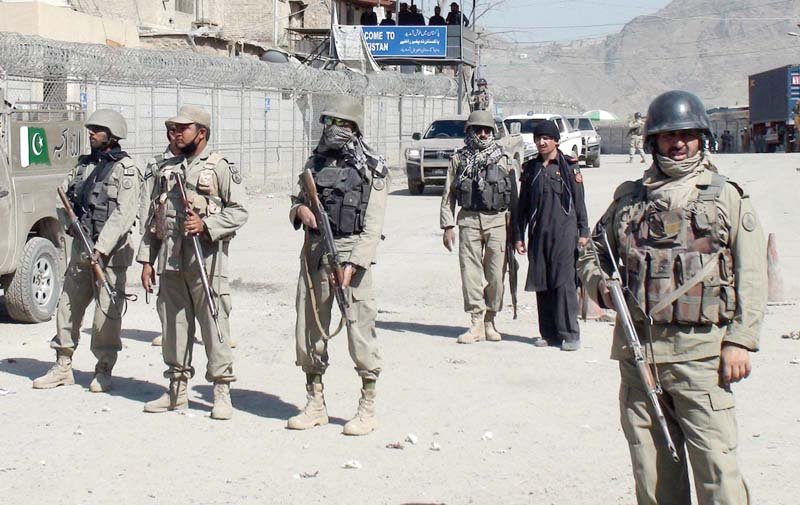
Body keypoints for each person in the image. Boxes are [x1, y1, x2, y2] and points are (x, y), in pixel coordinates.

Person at [577, 90, 767, 505]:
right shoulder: (629, 200)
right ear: (652, 143)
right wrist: (601, 288)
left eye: (687, 134)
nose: (678, 143)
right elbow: (590, 251)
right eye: (668, 136)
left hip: (702, 360)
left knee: (720, 476)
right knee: (655, 480)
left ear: (702, 138)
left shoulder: (725, 198)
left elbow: (753, 275)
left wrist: (740, 340)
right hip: (639, 357)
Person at [287, 96, 389, 436]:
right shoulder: (314, 161)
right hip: (315, 252)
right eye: (329, 123)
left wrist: (355, 262)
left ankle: (368, 405)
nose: (334, 130)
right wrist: (300, 212)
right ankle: (315, 402)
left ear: (354, 128)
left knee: (359, 329)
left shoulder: (372, 166)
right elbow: (297, 199)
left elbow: (373, 225)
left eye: (341, 124)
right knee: (310, 329)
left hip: (350, 252)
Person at [139, 105, 248, 420]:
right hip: (171, 262)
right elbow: (153, 218)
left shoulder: (219, 168)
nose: (175, 133)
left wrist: (207, 226)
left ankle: (221, 391)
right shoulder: (166, 168)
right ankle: (176, 391)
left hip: (207, 264)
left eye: (182, 128)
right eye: (173, 128)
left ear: (201, 132)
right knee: (174, 327)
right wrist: (147, 260)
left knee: (214, 326)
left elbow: (240, 210)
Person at [33, 110, 141, 392]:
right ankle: (63, 365)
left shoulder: (126, 169)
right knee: (67, 307)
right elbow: (63, 198)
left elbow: (124, 215)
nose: (91, 133)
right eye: (91, 129)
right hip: (82, 248)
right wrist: (69, 224)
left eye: (97, 129)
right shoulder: (82, 166)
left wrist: (102, 248)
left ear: (113, 134)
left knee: (106, 316)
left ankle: (104, 368)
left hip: (110, 254)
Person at [440, 110, 516, 344]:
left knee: (496, 275)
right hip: (469, 221)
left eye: (487, 130)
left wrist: (516, 229)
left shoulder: (504, 158)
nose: (483, 135)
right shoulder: (459, 159)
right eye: (478, 130)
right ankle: (475, 322)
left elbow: (513, 195)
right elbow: (448, 194)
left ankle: (490, 320)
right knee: (470, 274)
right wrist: (447, 225)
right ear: (470, 132)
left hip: (497, 222)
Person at [513, 120, 588, 351]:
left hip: (564, 235)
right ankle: (549, 333)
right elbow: (522, 206)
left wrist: (583, 232)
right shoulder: (531, 169)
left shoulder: (569, 167)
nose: (541, 142)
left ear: (556, 140)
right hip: (539, 235)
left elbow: (579, 202)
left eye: (546, 138)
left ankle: (570, 334)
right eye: (538, 138)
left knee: (564, 284)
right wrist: (519, 236)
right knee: (542, 282)